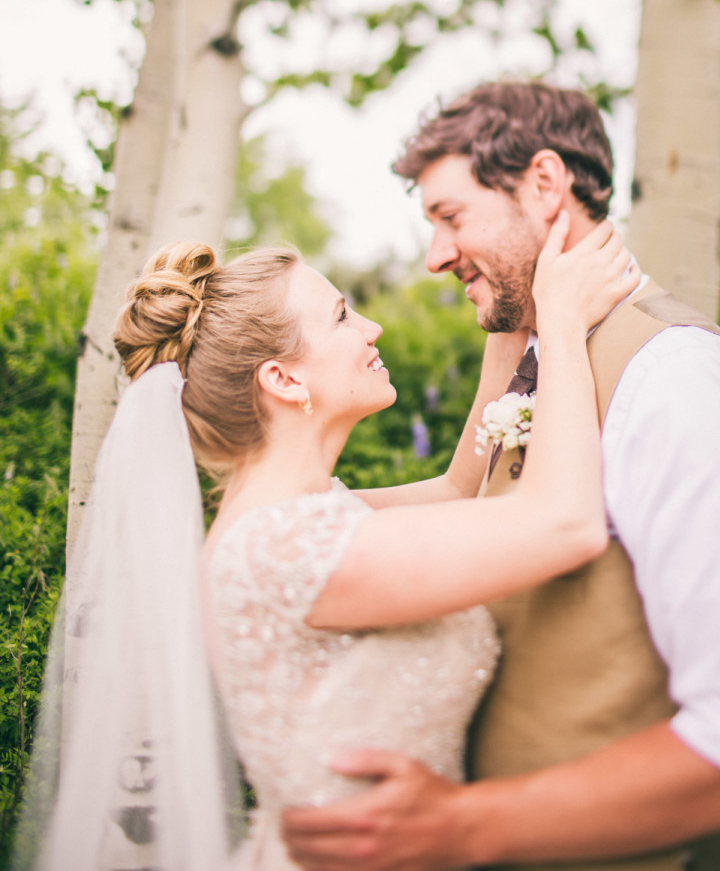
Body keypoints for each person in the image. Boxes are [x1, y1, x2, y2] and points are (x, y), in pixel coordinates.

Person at [283, 80, 720, 871]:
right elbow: (459, 499)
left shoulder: (679, 378)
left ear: (546, 185)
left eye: (450, 216)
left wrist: (463, 825)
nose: (435, 254)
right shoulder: (539, 355)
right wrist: (269, 513)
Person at [13, 214, 638, 871]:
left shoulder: (297, 518)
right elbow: (565, 522)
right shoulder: (281, 550)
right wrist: (564, 324)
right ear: (283, 379)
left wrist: (513, 304)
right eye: (342, 316)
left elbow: (459, 489)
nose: (372, 329)